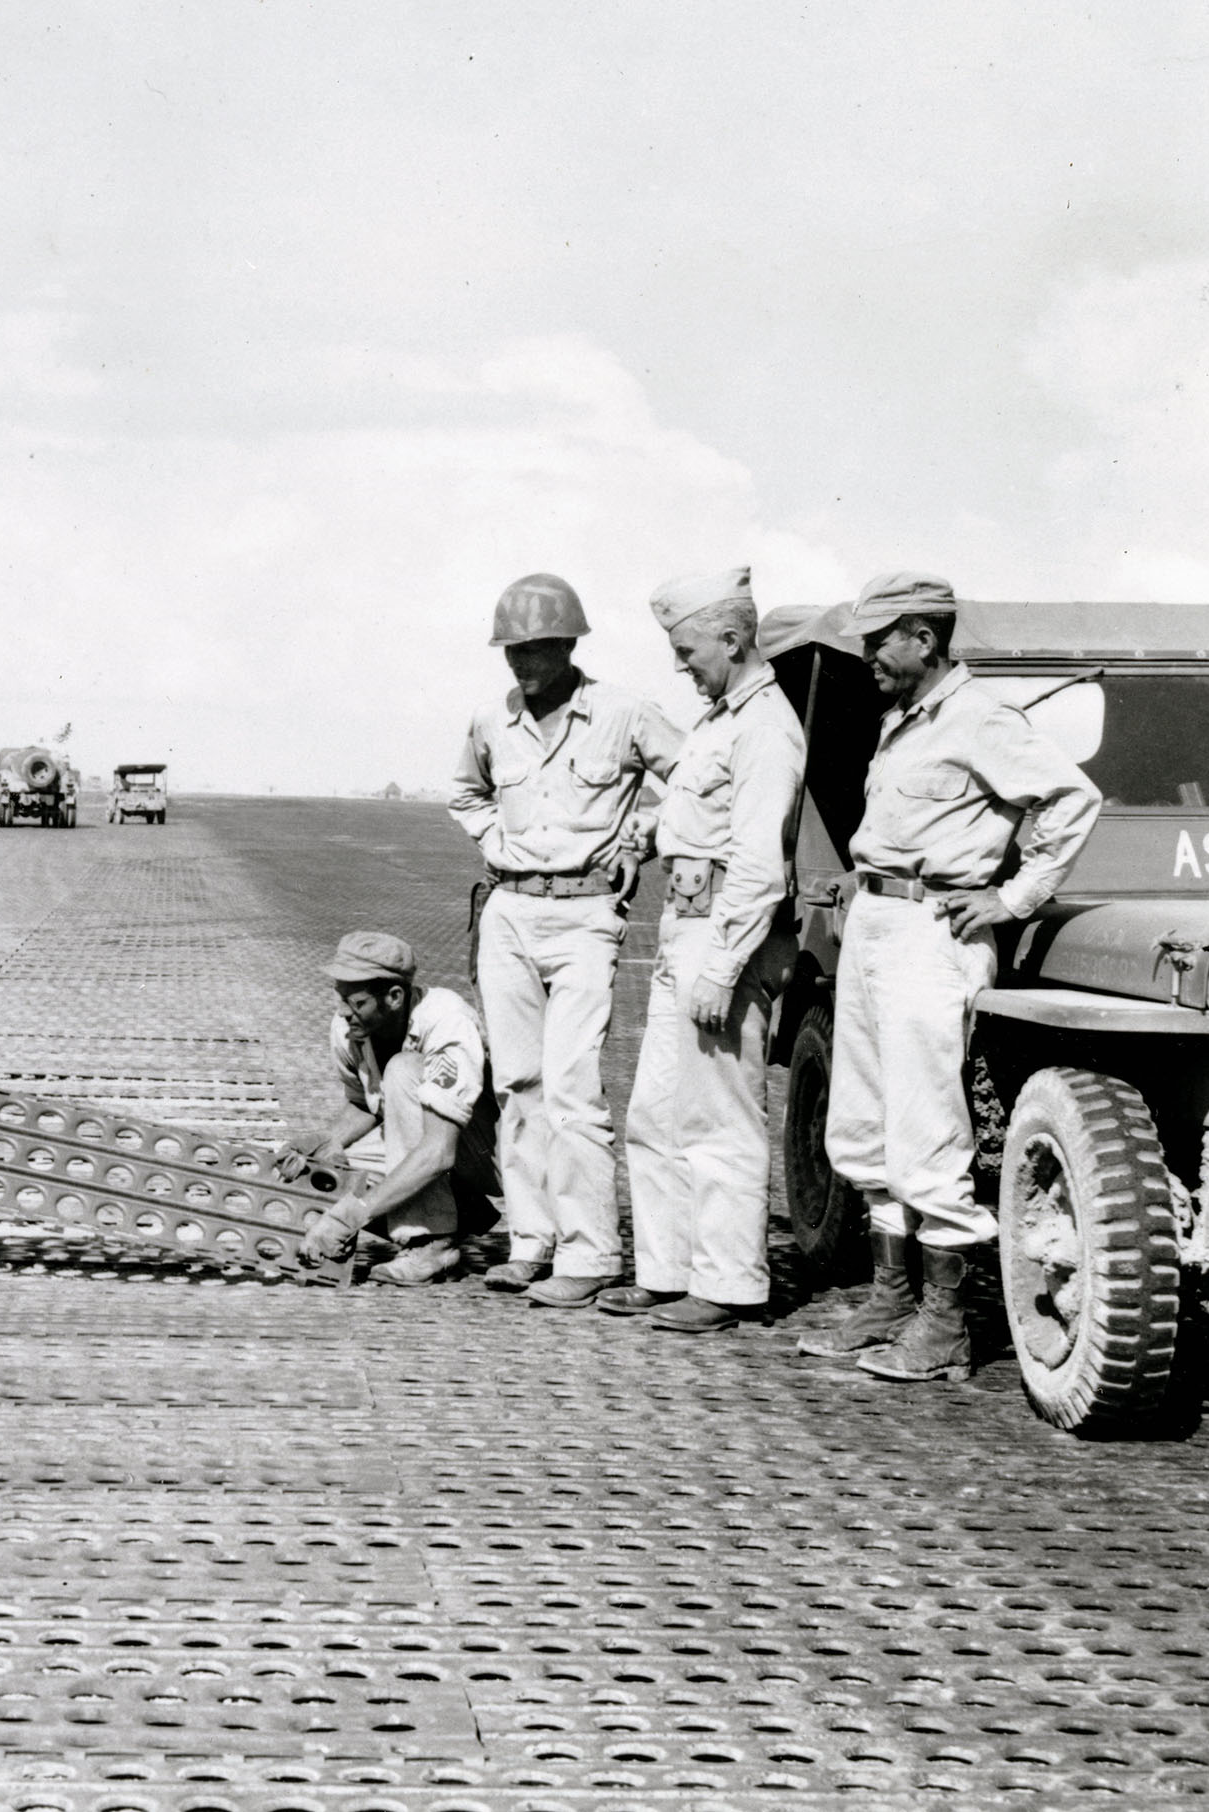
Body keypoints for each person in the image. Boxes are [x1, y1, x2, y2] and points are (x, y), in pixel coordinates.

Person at [803, 571, 1103, 1381]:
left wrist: (1011, 898)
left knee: (925, 1124)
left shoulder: (982, 718)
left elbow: (1071, 800)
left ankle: (946, 1324)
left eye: (880, 640)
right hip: (875, 918)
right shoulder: (903, 720)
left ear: (926, 638)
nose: (869, 656)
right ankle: (891, 1296)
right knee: (863, 1123)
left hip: (931, 931)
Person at [450, 573, 681, 1307]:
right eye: (512, 650)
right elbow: (465, 793)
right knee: (517, 1085)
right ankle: (531, 1241)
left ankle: (589, 1255)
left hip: (586, 917)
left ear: (569, 644)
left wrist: (641, 838)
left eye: (536, 649)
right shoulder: (492, 721)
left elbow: (698, 779)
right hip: (510, 912)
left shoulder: (623, 714)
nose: (521, 663)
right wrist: (498, 841)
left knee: (573, 1088)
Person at [609, 568, 805, 1332]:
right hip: (684, 924)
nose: (680, 665)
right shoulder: (721, 720)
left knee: (719, 1117)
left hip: (725, 932)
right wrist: (645, 836)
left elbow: (759, 864)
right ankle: (666, 1272)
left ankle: (726, 1283)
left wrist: (723, 967)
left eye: (688, 649)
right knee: (655, 1112)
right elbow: (691, 812)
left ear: (732, 638)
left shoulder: (765, 726)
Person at [286, 932, 502, 1284]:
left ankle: (431, 1243)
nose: (343, 1012)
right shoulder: (349, 1029)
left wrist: (349, 1218)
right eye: (339, 998)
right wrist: (331, 1140)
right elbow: (365, 1102)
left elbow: (438, 1152)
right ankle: (461, 1210)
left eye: (355, 1002)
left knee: (403, 1070)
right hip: (445, 1147)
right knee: (326, 1169)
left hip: (498, 1154)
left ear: (394, 997)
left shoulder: (446, 1020)